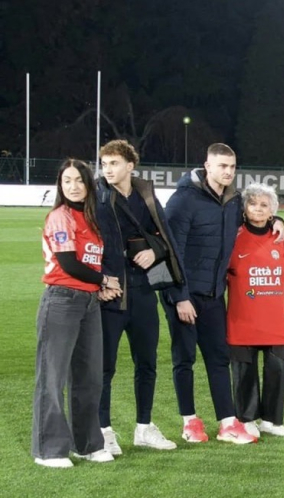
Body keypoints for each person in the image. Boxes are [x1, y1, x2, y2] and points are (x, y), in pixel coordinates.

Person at [162, 143, 282, 444]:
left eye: (232, 167)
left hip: (214, 295)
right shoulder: (183, 200)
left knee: (218, 358)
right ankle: (190, 422)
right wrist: (180, 296)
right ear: (207, 166)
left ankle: (228, 423)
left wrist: (276, 221)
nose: (227, 172)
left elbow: (254, 221)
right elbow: (169, 251)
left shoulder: (232, 202)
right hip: (184, 295)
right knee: (184, 358)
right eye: (221, 166)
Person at [95, 139, 182, 455]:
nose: (108, 169)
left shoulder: (146, 196)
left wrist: (152, 250)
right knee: (105, 367)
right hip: (112, 293)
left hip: (144, 291)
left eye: (114, 163)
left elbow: (164, 237)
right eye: (104, 164)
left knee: (147, 363)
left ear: (131, 166)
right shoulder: (98, 195)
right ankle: (103, 430)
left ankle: (144, 427)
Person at [33, 159, 120, 468]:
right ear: (60, 185)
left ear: (89, 185)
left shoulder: (91, 220)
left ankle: (87, 444)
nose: (73, 186)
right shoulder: (61, 217)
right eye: (67, 180)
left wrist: (100, 287)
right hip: (61, 301)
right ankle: (49, 450)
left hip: (89, 302)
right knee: (53, 379)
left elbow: (92, 264)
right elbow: (69, 263)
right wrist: (105, 281)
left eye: (79, 180)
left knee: (89, 378)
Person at [226, 183, 284, 437]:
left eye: (264, 205)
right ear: (244, 208)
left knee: (278, 367)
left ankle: (272, 420)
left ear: (273, 211)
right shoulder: (232, 235)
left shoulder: (280, 238)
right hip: (242, 313)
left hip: (275, 314)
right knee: (244, 369)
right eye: (252, 203)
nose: (258, 208)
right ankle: (246, 418)